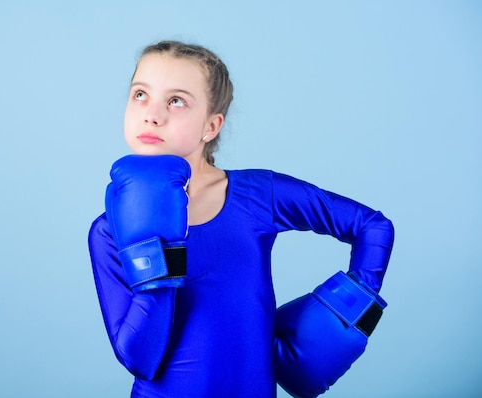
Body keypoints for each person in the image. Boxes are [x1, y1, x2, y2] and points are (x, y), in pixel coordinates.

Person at [88, 40, 394, 398]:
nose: (152, 114)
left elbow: (371, 226)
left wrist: (345, 312)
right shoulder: (109, 231)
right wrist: (158, 254)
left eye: (176, 100)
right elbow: (140, 358)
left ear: (211, 125)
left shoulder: (259, 196)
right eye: (140, 95)